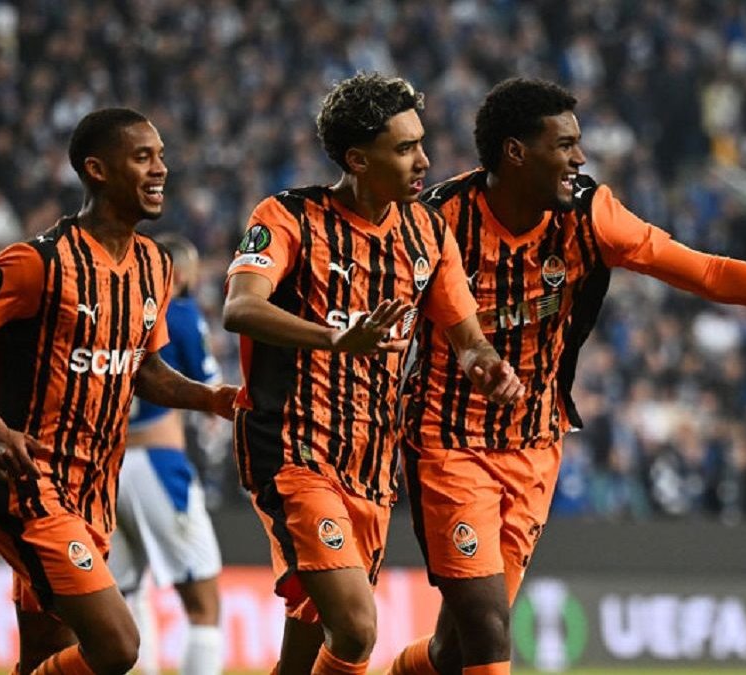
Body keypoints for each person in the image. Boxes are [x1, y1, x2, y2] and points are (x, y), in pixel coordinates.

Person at [388, 77, 746, 675]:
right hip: (448, 443)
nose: (580, 158)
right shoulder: (435, 222)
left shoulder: (592, 214)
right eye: (564, 145)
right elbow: (379, 322)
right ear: (516, 152)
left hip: (534, 447)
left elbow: (708, 272)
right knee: (489, 632)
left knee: (454, 649)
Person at [221, 72, 524, 675]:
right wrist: (336, 338)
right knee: (357, 629)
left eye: (421, 143)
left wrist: (487, 366)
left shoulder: (427, 233)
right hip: (293, 447)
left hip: (370, 462)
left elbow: (468, 338)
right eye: (405, 148)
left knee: (307, 645)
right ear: (358, 160)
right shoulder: (289, 216)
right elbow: (240, 307)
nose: (424, 160)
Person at [0, 108, 237, 675]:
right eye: (143, 157)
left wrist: (212, 399)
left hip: (94, 493)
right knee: (117, 646)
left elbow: (144, 369)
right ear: (97, 169)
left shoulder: (155, 265)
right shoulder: (36, 262)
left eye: (161, 157)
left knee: (44, 658)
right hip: (29, 484)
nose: (161, 169)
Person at [110, 232, 225, 675]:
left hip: (108, 468)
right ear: (177, 274)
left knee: (127, 597)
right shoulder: (178, 312)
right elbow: (210, 387)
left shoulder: (115, 312)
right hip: (158, 463)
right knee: (204, 604)